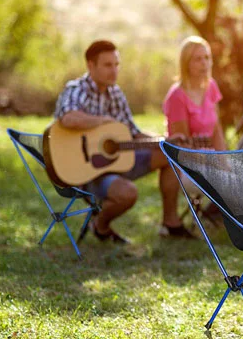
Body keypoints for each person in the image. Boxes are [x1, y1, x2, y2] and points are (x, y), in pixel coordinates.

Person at [54, 40, 193, 244]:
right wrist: (102, 121)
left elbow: (134, 133)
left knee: (169, 154)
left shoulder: (115, 93)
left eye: (116, 64)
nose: (114, 70)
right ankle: (100, 226)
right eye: (108, 65)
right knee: (128, 193)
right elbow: (67, 117)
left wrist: (166, 141)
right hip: (86, 171)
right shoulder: (77, 89)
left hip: (115, 162)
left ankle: (170, 222)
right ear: (91, 66)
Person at [162, 36, 227, 152]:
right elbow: (183, 146)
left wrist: (224, 162)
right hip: (188, 160)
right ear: (186, 63)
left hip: (210, 156)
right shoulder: (177, 96)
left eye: (207, 58)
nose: (204, 63)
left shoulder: (211, 86)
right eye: (198, 59)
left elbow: (217, 131)